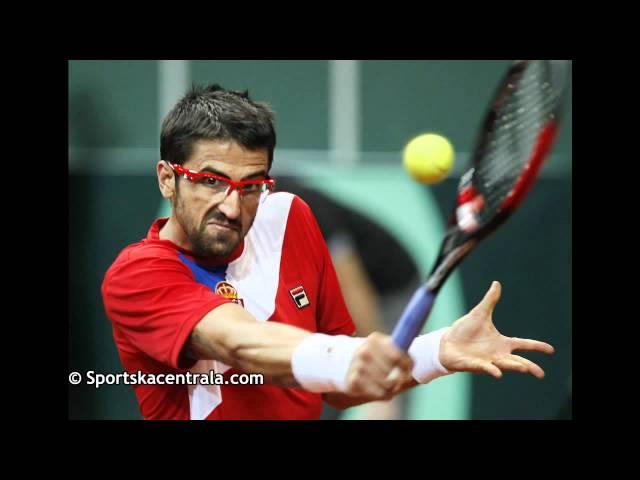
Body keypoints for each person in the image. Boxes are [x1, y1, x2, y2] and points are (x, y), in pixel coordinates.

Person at [101, 84, 555, 420]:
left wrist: (437, 351)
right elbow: (240, 342)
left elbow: (339, 385)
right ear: (167, 178)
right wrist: (345, 358)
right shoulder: (137, 275)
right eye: (211, 181)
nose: (232, 206)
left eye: (252, 185)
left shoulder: (289, 218)